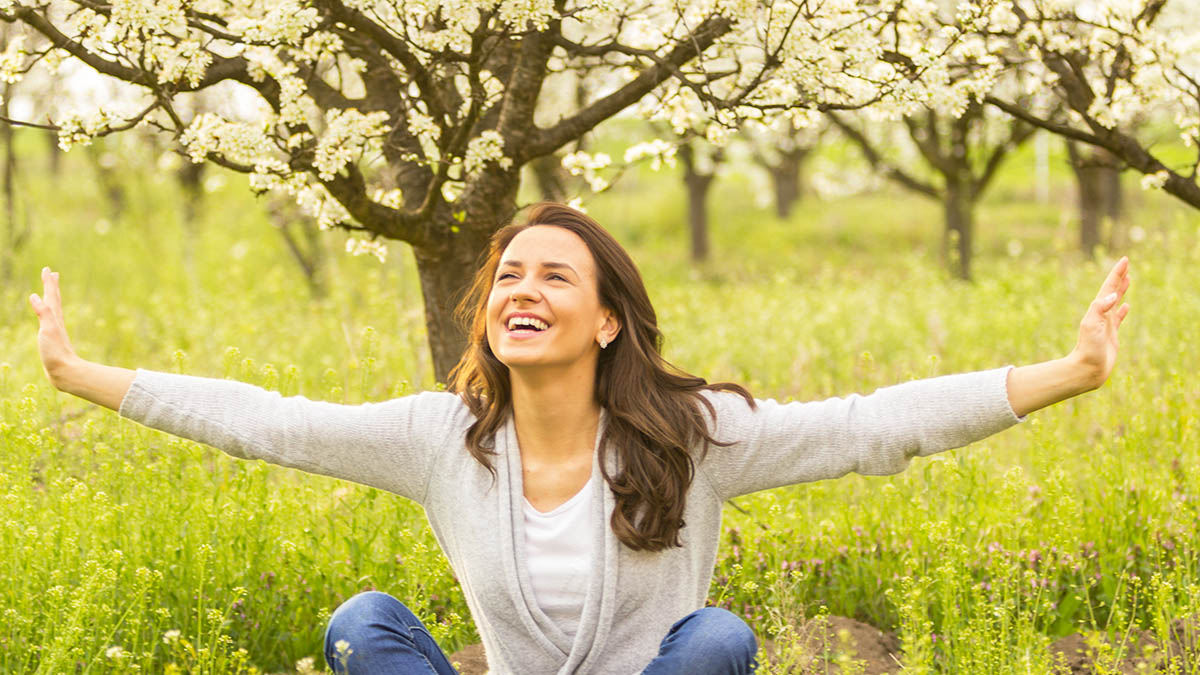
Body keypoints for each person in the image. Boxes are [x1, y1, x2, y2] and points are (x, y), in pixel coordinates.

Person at [29, 202, 1131, 675]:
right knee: (364, 623)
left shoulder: (694, 437)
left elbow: (873, 426)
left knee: (715, 643)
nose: (521, 287)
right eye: (509, 273)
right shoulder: (440, 437)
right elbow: (266, 420)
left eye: (554, 275)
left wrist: (1067, 373)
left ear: (606, 319)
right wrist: (87, 378)